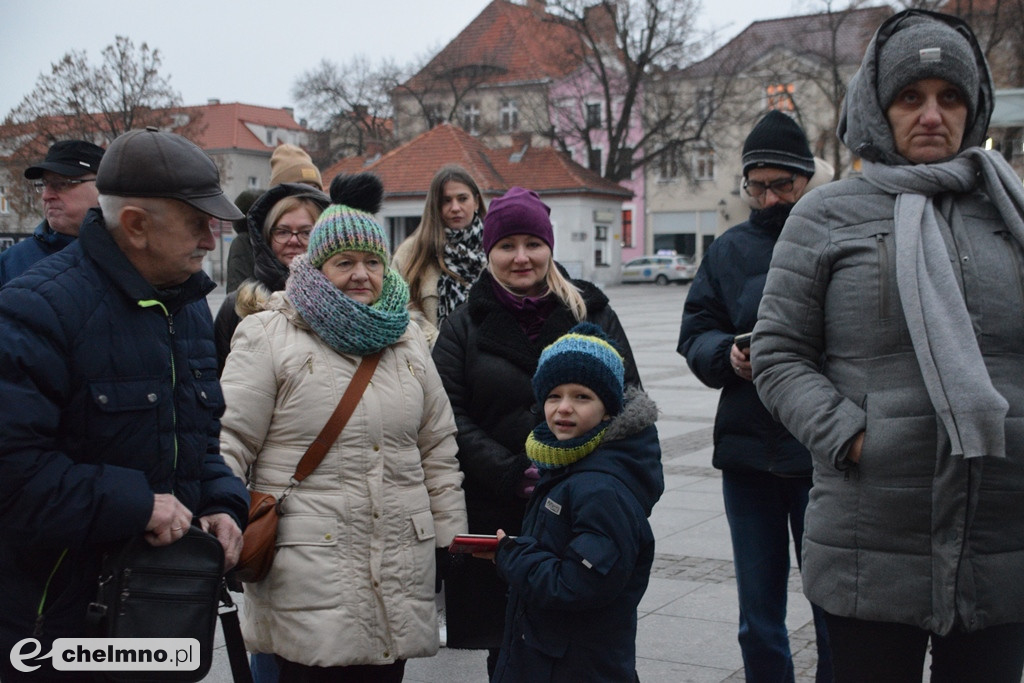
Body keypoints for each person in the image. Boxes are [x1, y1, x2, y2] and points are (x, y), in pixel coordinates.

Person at [753, 10, 1024, 682]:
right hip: (867, 539)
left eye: (950, 97)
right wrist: (851, 435)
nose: (931, 114)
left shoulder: (1011, 212)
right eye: (911, 96)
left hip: (1000, 540)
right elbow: (778, 352)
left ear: (974, 106)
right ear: (879, 107)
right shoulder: (826, 215)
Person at [0, 127, 249, 682]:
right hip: (55, 631)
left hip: (158, 619)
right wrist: (137, 504)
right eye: (198, 221)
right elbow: (13, 474)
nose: (213, 239)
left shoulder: (184, 308)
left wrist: (223, 503)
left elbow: (197, 441)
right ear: (135, 225)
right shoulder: (35, 310)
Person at [219, 172, 467, 683]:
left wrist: (449, 541)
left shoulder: (409, 341)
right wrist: (221, 525)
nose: (361, 275)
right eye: (344, 262)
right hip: (305, 566)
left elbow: (438, 447)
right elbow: (229, 440)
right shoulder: (268, 333)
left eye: (372, 261)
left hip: (400, 559)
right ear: (315, 266)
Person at [431, 186, 641, 677]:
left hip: (579, 506)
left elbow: (630, 402)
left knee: (584, 640)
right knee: (506, 646)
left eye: (532, 243)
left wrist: (595, 480)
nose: (521, 257)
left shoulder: (591, 311)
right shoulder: (464, 325)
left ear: (550, 247)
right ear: (489, 253)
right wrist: (509, 472)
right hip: (496, 507)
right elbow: (447, 415)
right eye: (507, 246)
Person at [678, 111, 833, 682]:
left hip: (820, 453)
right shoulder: (727, 250)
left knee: (832, 607)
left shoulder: (831, 235)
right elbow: (695, 330)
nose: (767, 199)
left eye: (781, 186)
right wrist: (727, 355)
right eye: (756, 185)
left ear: (805, 180)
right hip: (746, 455)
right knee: (757, 617)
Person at [486, 322, 663, 682]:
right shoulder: (566, 466)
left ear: (608, 409)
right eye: (554, 396)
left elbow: (579, 583)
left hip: (577, 665)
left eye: (582, 396)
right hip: (551, 655)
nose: (564, 408)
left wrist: (513, 554)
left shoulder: (600, 488)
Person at [214, 183, 329, 372]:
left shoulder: (344, 300)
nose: (293, 240)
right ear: (266, 237)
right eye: (282, 232)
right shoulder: (237, 305)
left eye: (306, 232)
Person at [392, 164, 488, 346]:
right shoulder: (412, 253)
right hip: (430, 359)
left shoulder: (495, 249)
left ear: (475, 202)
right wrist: (441, 344)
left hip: (485, 360)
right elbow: (395, 307)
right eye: (446, 200)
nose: (455, 207)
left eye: (462, 199)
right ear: (435, 205)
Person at [0, 139, 104, 285]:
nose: (45, 196)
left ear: (102, 187)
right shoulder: (10, 264)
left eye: (61, 184)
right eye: (44, 184)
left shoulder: (133, 255)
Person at [226, 144, 322, 293]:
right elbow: (239, 306)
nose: (306, 199)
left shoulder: (330, 242)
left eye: (315, 192)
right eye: (283, 232)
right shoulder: (246, 244)